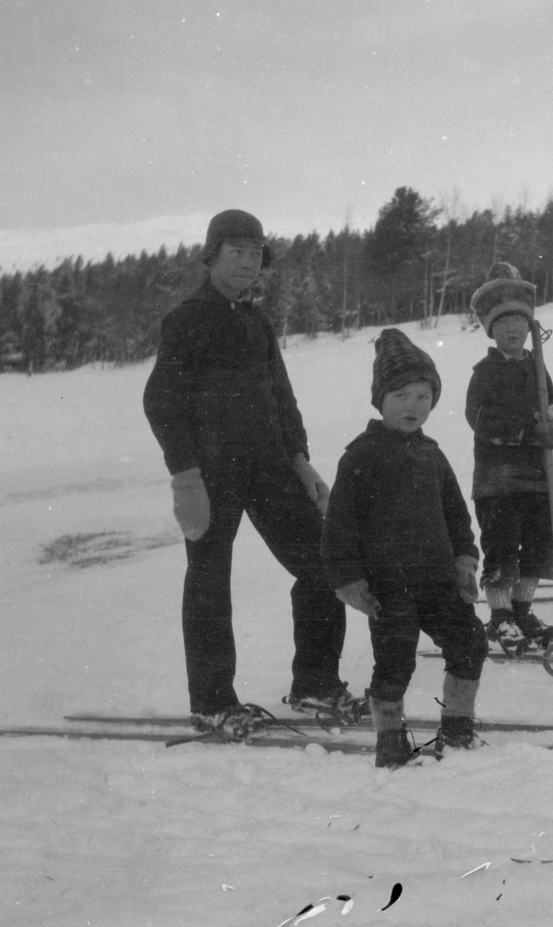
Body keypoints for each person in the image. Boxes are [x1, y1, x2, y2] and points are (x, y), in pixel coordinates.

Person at [143, 209, 358, 735]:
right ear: (211, 256)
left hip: (269, 466)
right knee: (210, 582)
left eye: (255, 253)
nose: (247, 262)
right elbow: (161, 401)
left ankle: (314, 684)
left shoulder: (256, 320)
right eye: (235, 252)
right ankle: (213, 701)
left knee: (322, 563)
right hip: (212, 473)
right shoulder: (186, 319)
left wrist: (300, 459)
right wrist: (185, 476)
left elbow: (280, 396)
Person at [322, 328, 488, 768]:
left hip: (438, 583)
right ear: (379, 400)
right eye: (400, 395)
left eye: (423, 395)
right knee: (395, 664)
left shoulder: (433, 455)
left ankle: (456, 726)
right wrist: (349, 581)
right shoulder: (361, 456)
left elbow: (456, 515)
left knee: (469, 641)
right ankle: (390, 739)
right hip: (388, 589)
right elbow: (339, 525)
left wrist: (463, 559)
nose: (413, 405)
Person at [466, 262, 553, 651]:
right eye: (503, 323)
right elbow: (480, 419)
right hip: (498, 482)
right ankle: (500, 617)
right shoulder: (486, 372)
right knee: (503, 548)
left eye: (519, 322)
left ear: (530, 328)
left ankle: (523, 611)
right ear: (490, 330)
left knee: (540, 546)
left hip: (537, 478)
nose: (512, 329)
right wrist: (529, 430)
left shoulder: (537, 368)